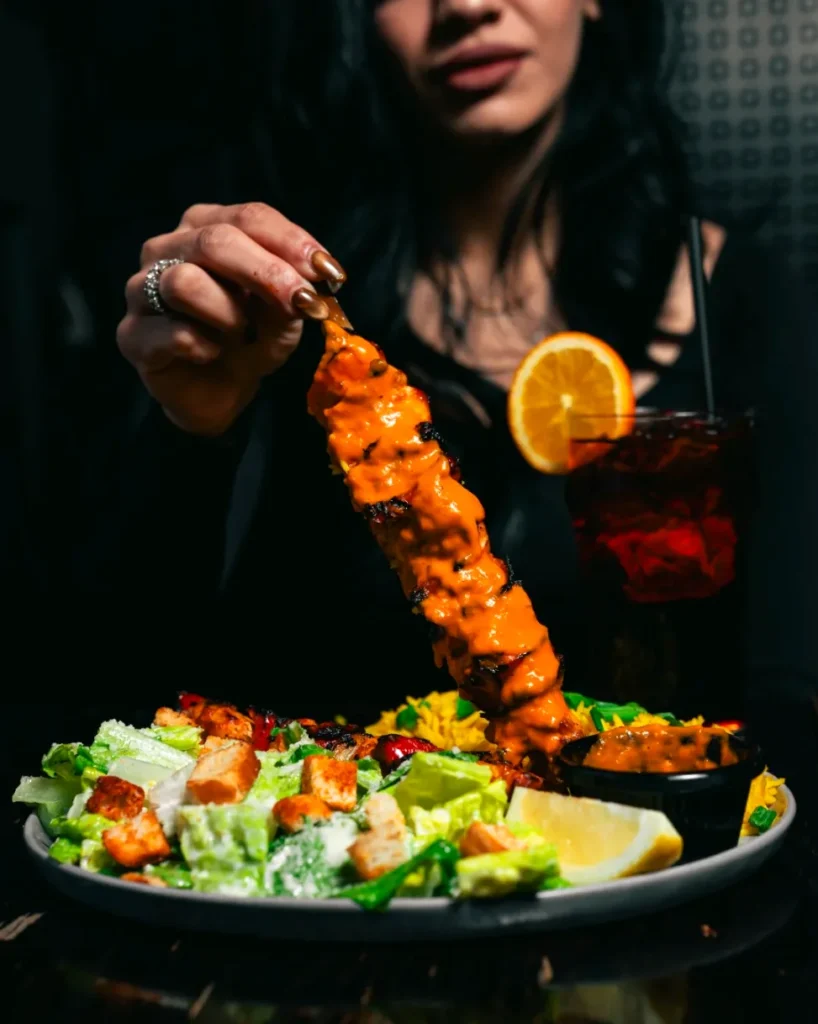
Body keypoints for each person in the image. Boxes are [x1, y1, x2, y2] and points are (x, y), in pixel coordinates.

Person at [77, 0, 816, 723]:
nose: (465, 6)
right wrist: (188, 428)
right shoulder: (276, 313)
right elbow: (123, 679)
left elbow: (790, 686)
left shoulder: (745, 300)